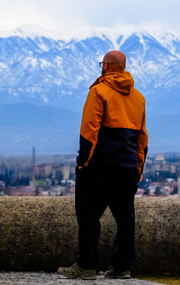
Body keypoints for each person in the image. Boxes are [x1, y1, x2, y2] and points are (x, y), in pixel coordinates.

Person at [58, 50, 148, 280]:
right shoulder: (138, 98)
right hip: (127, 167)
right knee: (125, 218)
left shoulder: (98, 91)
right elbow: (142, 139)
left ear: (106, 66)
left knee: (88, 214)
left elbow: (90, 130)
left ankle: (86, 266)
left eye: (102, 64)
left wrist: (83, 162)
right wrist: (138, 167)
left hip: (100, 166)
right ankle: (122, 267)